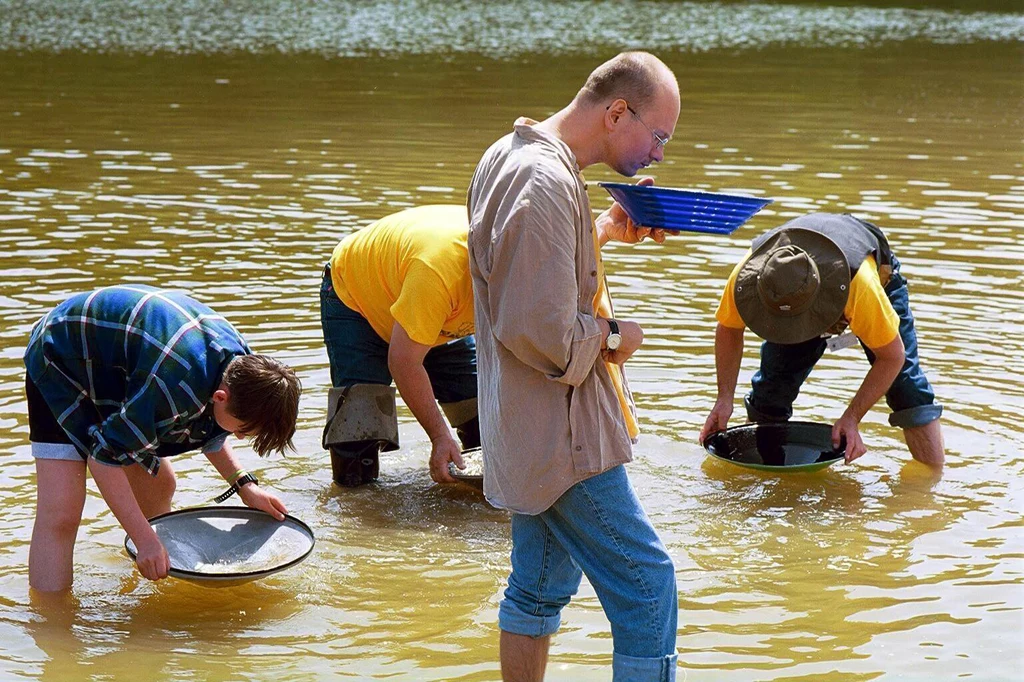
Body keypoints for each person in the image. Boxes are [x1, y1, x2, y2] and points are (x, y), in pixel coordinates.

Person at [468, 52, 680, 681]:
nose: (661, 154)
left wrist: (605, 231)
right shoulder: (544, 181)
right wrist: (617, 336)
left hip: (522, 427)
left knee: (536, 588)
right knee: (648, 590)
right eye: (659, 135)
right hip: (563, 437)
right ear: (618, 112)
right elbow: (544, 333)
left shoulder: (513, 154)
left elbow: (528, 274)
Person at [24, 284, 302, 592]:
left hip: (118, 370)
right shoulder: (174, 382)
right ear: (221, 397)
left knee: (160, 485)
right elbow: (103, 459)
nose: (238, 436)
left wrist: (245, 487)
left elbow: (213, 427)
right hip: (61, 357)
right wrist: (144, 541)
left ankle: (151, 567)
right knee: (61, 510)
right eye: (243, 430)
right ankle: (52, 624)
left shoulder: (243, 369)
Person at [698, 212, 945, 467]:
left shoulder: (860, 286)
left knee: (906, 386)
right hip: (793, 290)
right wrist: (723, 398)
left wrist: (852, 417)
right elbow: (728, 328)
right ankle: (765, 478)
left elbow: (892, 357)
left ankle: (933, 482)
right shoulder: (747, 276)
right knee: (770, 390)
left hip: (859, 274)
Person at [319, 204, 479, 487]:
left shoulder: (532, 274)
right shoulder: (440, 273)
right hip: (359, 300)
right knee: (360, 427)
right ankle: (361, 517)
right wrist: (439, 436)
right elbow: (404, 362)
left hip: (439, 309)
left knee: (481, 417)